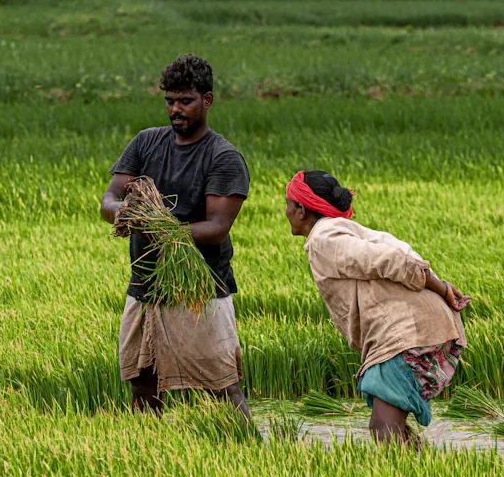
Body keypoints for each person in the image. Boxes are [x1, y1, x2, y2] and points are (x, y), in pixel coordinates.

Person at [100, 54, 252, 419]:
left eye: (185, 101)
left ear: (207, 100)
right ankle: (148, 452)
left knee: (221, 387)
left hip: (200, 288)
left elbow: (216, 229)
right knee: (142, 382)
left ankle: (249, 449)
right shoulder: (146, 143)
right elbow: (109, 200)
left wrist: (162, 228)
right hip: (145, 285)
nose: (176, 109)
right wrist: (127, 213)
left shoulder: (223, 157)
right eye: (170, 101)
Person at [285, 170, 469, 445]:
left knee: (384, 427)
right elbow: (403, 252)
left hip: (405, 333)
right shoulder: (342, 230)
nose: (284, 211)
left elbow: (394, 259)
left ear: (301, 210)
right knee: (389, 427)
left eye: (288, 203)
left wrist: (442, 287)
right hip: (413, 328)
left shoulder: (325, 238)